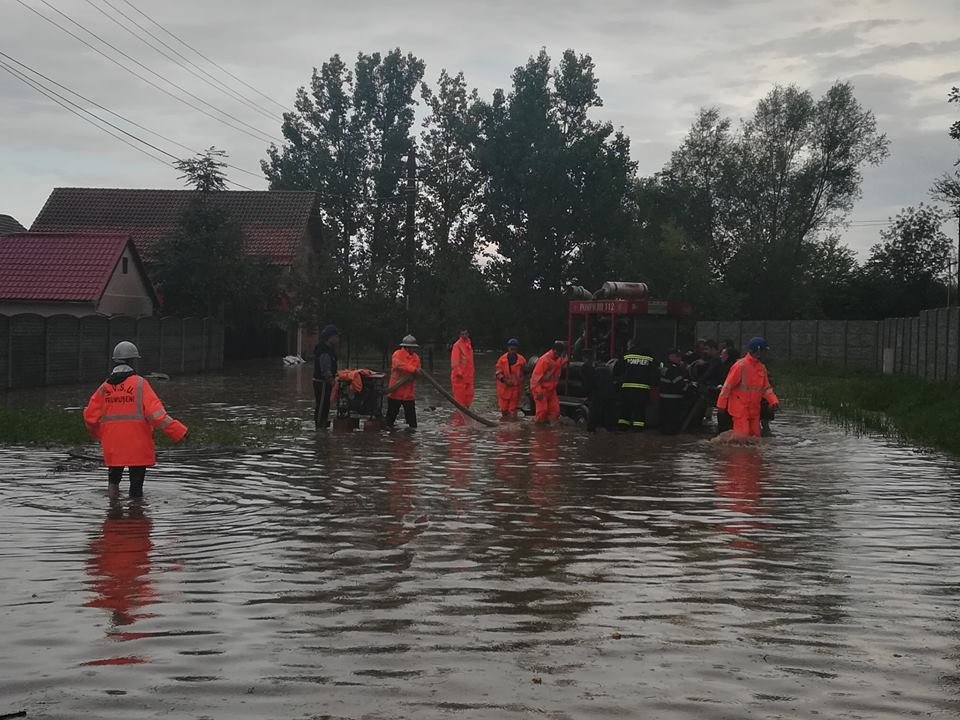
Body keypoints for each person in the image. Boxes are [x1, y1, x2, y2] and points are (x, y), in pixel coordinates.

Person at [83, 341, 188, 498]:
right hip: (137, 444)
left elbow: (89, 416)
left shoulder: (104, 388)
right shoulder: (140, 384)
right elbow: (158, 416)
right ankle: (136, 517)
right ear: (133, 361)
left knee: (113, 481)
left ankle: (113, 513)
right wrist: (178, 432)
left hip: (113, 444)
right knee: (136, 487)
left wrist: (99, 434)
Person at [716, 336, 780, 438]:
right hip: (740, 409)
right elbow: (727, 387)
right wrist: (721, 406)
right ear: (758, 350)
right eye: (764, 351)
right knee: (742, 437)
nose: (765, 354)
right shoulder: (740, 366)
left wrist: (774, 401)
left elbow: (766, 389)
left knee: (755, 437)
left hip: (754, 409)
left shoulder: (761, 368)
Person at [616, 339, 658, 431]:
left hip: (627, 390)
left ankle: (622, 431)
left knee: (624, 413)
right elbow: (655, 373)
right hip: (642, 391)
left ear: (631, 345)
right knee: (639, 413)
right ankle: (638, 434)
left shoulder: (626, 356)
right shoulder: (649, 358)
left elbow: (617, 370)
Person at [386, 334, 422, 428]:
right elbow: (399, 365)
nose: (412, 349)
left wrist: (416, 373)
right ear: (405, 347)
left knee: (412, 423)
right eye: (410, 347)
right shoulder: (397, 354)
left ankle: (410, 436)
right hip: (395, 391)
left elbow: (418, 371)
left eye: (413, 347)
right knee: (390, 420)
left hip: (409, 394)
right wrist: (413, 370)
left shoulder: (416, 357)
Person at [530, 341, 568, 424]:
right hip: (541, 390)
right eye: (557, 353)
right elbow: (534, 379)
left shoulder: (559, 359)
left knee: (555, 412)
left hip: (551, 390)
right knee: (542, 412)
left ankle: (549, 433)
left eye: (560, 354)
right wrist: (538, 391)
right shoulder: (544, 360)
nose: (558, 355)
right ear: (553, 350)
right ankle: (538, 431)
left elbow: (564, 360)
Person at [313, 324, 339, 429]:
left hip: (326, 383)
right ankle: (319, 426)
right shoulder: (324, 350)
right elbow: (325, 370)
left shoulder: (330, 350)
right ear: (331, 337)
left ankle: (323, 423)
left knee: (326, 405)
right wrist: (332, 381)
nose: (337, 339)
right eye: (336, 336)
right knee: (322, 405)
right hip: (322, 383)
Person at [658, 348, 690, 434]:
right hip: (673, 399)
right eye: (678, 356)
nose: (680, 358)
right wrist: (688, 385)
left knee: (665, 420)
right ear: (671, 357)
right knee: (672, 422)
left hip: (664, 397)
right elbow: (679, 384)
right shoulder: (673, 369)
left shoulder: (665, 366)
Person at [494, 338, 525, 420]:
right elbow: (497, 373)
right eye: (511, 349)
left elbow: (524, 374)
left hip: (515, 389)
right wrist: (505, 380)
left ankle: (512, 428)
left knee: (512, 411)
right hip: (504, 389)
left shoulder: (522, 360)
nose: (513, 351)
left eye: (514, 349)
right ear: (508, 348)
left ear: (517, 349)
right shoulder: (502, 360)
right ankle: (504, 429)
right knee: (504, 411)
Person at [450, 329, 475, 408]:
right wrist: (459, 373)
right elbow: (454, 361)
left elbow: (470, 361)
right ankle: (458, 419)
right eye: (462, 334)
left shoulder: (468, 344)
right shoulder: (457, 345)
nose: (464, 335)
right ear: (460, 335)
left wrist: (471, 374)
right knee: (460, 403)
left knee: (468, 400)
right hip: (459, 379)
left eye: (466, 334)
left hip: (468, 378)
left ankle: (465, 419)